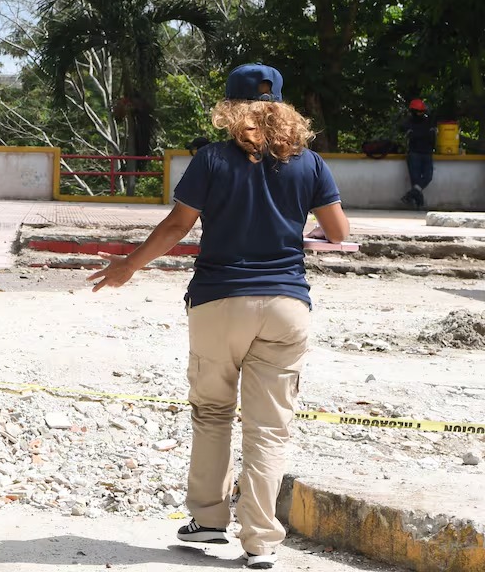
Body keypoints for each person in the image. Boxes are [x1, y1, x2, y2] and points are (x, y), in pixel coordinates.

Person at [88, 64, 349, 571]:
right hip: (286, 305)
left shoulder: (210, 160)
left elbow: (176, 226)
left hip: (217, 301)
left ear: (230, 109)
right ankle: (261, 545)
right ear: (281, 106)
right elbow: (337, 232)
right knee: (269, 428)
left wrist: (128, 267)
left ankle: (208, 521)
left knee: (212, 414)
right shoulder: (310, 163)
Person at [401, 98, 436, 210]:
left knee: (428, 177)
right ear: (413, 111)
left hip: (426, 153)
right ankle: (418, 204)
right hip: (414, 153)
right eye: (418, 111)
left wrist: (417, 135)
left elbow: (432, 137)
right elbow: (408, 133)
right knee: (415, 180)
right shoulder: (407, 123)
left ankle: (410, 196)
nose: (421, 114)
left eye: (422, 111)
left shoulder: (428, 121)